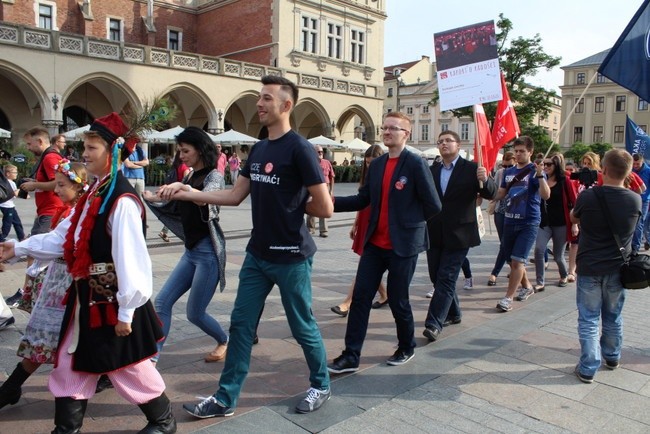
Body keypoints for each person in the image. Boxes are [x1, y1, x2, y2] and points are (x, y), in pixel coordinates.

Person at [1, 113, 176, 433]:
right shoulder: (95, 191)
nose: (84, 153)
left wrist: (126, 310)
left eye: (92, 147)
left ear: (112, 152)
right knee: (72, 362)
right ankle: (66, 429)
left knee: (129, 364)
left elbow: (132, 260)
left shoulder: (121, 199)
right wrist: (19, 248)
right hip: (87, 298)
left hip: (116, 299)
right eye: (85, 146)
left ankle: (163, 421)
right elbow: (63, 237)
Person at [171, 75, 333, 417]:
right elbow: (234, 194)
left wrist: (292, 207)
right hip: (258, 255)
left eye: (266, 99)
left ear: (286, 105)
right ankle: (224, 399)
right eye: (259, 98)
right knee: (241, 325)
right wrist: (189, 192)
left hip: (291, 257)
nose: (259, 104)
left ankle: (321, 384)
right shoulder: (259, 149)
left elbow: (325, 206)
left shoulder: (300, 148)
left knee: (301, 325)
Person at [326, 111, 441, 373]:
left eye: (394, 129)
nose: (387, 132)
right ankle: (350, 356)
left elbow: (433, 205)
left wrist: (407, 223)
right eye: (385, 128)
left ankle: (406, 346)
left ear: (406, 134)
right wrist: (329, 203)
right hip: (375, 244)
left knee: (399, 300)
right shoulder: (376, 165)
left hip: (404, 245)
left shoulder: (415, 163)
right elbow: (362, 199)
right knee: (360, 299)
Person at [0, 160, 88, 411]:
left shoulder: (78, 212)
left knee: (58, 337)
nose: (56, 190)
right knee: (42, 334)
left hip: (69, 283)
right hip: (56, 281)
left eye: (61, 185)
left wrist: (19, 250)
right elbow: (52, 242)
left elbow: (57, 243)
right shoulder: (69, 210)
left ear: (78, 185)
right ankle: (11, 388)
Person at [143, 126, 229, 364]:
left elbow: (205, 198)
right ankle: (152, 359)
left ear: (200, 149)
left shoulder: (215, 176)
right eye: (179, 151)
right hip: (191, 252)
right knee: (162, 302)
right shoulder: (190, 175)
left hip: (209, 253)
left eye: (185, 150)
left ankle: (224, 339)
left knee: (195, 314)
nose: (181, 156)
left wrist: (182, 187)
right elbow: (179, 204)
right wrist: (155, 197)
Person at [571, 149, 641, 383]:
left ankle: (589, 366)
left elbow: (573, 218)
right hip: (618, 269)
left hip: (590, 266)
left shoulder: (589, 196)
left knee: (589, 318)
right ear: (629, 172)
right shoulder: (635, 199)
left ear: (604, 170)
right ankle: (612, 356)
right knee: (613, 316)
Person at [422, 130, 495, 342]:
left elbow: (491, 193)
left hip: (460, 233)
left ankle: (434, 322)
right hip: (435, 231)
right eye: (440, 141)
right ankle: (454, 313)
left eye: (448, 140)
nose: (444, 144)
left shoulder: (472, 169)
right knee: (436, 276)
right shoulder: (432, 169)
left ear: (458, 144)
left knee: (446, 277)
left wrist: (486, 179)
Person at [330, 144, 388, 317]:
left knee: (367, 264)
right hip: (365, 218)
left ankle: (348, 302)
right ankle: (385, 295)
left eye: (373, 162)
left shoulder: (386, 173)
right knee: (368, 262)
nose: (370, 166)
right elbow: (360, 200)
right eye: (368, 163)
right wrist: (355, 223)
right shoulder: (367, 176)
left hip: (376, 221)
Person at [494, 136, 550, 312]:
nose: (518, 154)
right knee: (511, 259)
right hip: (510, 219)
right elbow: (501, 193)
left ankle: (508, 298)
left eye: (522, 151)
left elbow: (546, 195)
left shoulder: (535, 171)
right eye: (516, 151)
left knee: (518, 261)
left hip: (529, 222)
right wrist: (483, 192)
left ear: (530, 152)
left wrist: (541, 176)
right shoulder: (508, 172)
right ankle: (527, 286)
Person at [532, 153, 578, 291]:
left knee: (558, 256)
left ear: (556, 165)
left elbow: (575, 202)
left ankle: (564, 275)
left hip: (561, 223)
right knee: (539, 250)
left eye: (549, 164)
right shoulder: (540, 179)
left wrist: (575, 224)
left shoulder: (565, 181)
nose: (545, 167)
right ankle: (540, 281)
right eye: (544, 164)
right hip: (544, 223)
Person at [487, 151, 515, 286]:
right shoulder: (500, 173)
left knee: (505, 243)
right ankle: (512, 268)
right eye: (504, 166)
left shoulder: (521, 174)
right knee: (504, 242)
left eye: (510, 166)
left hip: (515, 212)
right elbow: (495, 190)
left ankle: (494, 273)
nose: (506, 169)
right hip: (501, 211)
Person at [157, 150, 190, 242]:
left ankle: (164, 231)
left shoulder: (175, 166)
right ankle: (186, 234)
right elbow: (186, 182)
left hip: (171, 192)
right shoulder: (184, 167)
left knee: (177, 214)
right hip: (180, 194)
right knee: (181, 215)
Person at [307, 145, 335, 237]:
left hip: (325, 187)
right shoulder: (310, 163)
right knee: (311, 208)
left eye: (322, 152)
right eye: (318, 152)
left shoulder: (327, 163)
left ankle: (323, 231)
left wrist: (331, 190)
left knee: (323, 207)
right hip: (313, 187)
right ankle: (310, 229)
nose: (321, 153)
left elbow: (332, 177)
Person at [0, 164, 25, 242]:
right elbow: (14, 194)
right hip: (7, 206)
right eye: (14, 172)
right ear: (8, 174)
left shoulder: (5, 182)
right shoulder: (10, 183)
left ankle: (21, 237)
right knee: (7, 223)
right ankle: (2, 237)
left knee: (17, 222)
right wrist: (20, 190)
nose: (16, 174)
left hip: (10, 205)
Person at [631, 153, 650, 253]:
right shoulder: (631, 170)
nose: (635, 166)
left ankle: (636, 248)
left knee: (639, 224)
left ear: (642, 161)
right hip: (631, 199)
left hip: (644, 201)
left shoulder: (648, 171)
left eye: (637, 164)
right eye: (634, 164)